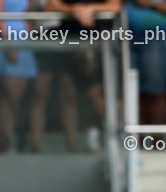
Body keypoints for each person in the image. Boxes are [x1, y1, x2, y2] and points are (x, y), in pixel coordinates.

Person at [43, 0, 120, 151]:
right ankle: (71, 148)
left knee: (96, 95)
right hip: (68, 44)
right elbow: (51, 6)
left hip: (97, 46)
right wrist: (74, 11)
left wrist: (91, 8)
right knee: (68, 96)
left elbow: (115, 6)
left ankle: (106, 140)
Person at [0, 0, 37, 152]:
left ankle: (10, 138)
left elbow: (27, 15)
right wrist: (10, 46)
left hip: (24, 42)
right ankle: (3, 140)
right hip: (9, 41)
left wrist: (32, 37)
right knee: (8, 96)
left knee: (18, 97)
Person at [126, 0, 166, 132]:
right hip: (127, 37)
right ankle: (136, 143)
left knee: (154, 92)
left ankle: (158, 144)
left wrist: (151, 4)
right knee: (133, 93)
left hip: (157, 37)